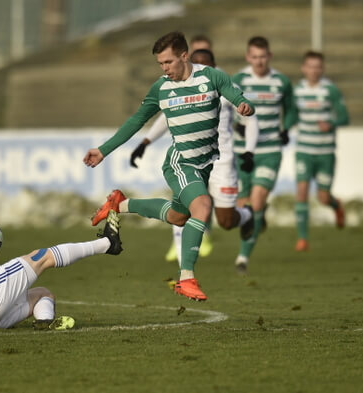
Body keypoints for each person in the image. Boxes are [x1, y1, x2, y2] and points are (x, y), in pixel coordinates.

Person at [83, 31, 255, 301]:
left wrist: (245, 106)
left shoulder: (212, 77)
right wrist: (104, 150)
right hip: (180, 162)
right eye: (160, 64)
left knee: (179, 217)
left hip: (205, 163)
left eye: (168, 62)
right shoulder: (161, 87)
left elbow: (236, 95)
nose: (164, 69)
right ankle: (186, 278)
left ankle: (119, 204)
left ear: (184, 56)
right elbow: (136, 120)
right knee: (202, 207)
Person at [129, 49, 259, 270]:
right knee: (185, 208)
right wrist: (146, 141)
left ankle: (247, 215)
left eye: (204, 64)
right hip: (189, 157)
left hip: (222, 159)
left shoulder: (222, 83)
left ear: (213, 65)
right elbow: (164, 115)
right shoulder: (179, 85)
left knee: (226, 221)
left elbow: (250, 119)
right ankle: (185, 270)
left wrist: (249, 151)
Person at [232, 36, 297, 274]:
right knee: (243, 206)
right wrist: (235, 126)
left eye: (263, 56)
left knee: (256, 202)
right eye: (255, 57)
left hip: (270, 150)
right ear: (248, 57)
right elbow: (224, 108)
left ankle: (242, 258)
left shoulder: (281, 81)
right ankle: (258, 216)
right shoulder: (238, 80)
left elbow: (291, 110)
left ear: (269, 56)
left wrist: (286, 129)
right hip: (242, 151)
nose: (259, 61)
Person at [293, 50, 348, 251]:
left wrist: (331, 123)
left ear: (322, 69)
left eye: (318, 67)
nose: (314, 71)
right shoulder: (297, 90)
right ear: (304, 68)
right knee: (301, 191)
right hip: (304, 150)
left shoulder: (330, 90)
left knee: (323, 197)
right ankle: (302, 239)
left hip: (325, 152)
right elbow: (292, 115)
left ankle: (336, 205)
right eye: (310, 66)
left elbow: (345, 117)